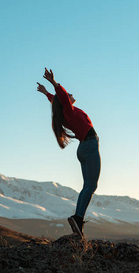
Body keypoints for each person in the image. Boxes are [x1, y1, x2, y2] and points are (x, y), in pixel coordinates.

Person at [37, 68, 101, 238]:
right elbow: (62, 98)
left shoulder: (64, 111)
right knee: (91, 186)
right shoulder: (68, 110)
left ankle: (77, 219)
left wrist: (46, 93)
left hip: (83, 148)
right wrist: (53, 82)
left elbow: (56, 100)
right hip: (89, 146)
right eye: (69, 94)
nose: (71, 94)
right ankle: (78, 218)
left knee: (87, 186)